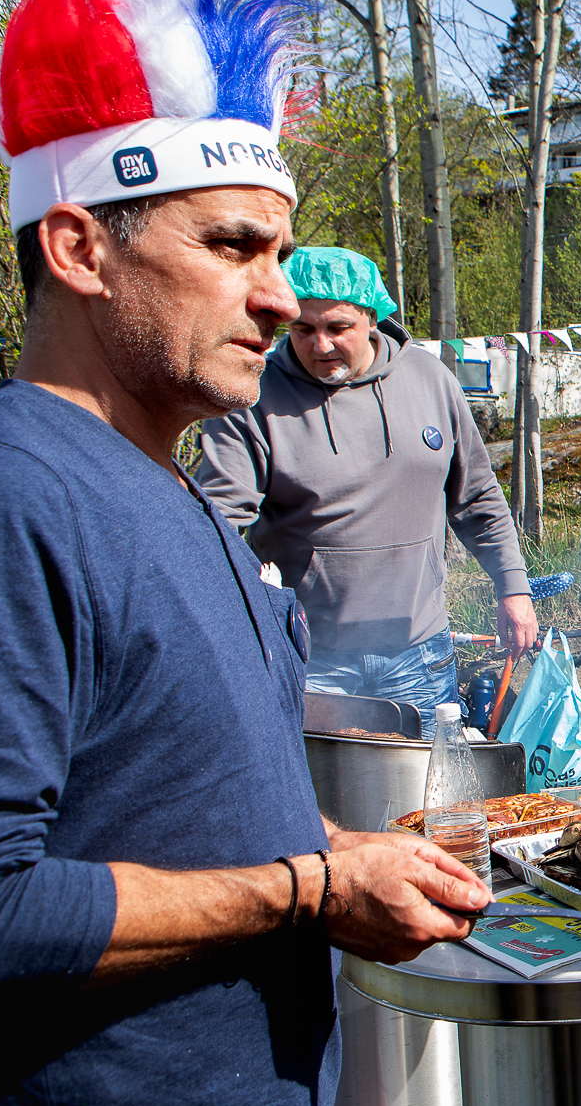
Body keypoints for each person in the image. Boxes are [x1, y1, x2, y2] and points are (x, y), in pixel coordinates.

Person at [0, 0, 489, 1106]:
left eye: (278, 253)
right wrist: (311, 890)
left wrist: (348, 848)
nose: (279, 298)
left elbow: (161, 804)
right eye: (234, 248)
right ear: (80, 245)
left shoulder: (172, 495)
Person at [197, 246, 535, 738]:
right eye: (303, 329)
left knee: (428, 804)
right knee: (325, 808)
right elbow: (220, 520)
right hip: (311, 656)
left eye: (338, 328)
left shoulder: (429, 380)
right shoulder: (252, 396)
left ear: (372, 317)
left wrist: (514, 588)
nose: (320, 345)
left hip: (420, 653)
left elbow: (478, 498)